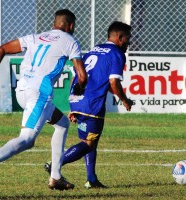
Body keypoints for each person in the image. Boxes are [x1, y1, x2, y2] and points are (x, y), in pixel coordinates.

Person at [0, 9, 87, 190]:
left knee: (62, 124)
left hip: (22, 89)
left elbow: (1, 49)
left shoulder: (35, 37)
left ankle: (56, 177)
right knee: (27, 139)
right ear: (71, 25)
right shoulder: (70, 41)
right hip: (39, 93)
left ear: (54, 23)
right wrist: (80, 89)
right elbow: (82, 75)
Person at [45, 21, 134, 188]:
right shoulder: (116, 54)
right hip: (92, 104)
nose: (129, 44)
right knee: (88, 143)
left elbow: (76, 76)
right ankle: (55, 165)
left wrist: (73, 104)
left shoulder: (94, 49)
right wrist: (124, 99)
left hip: (78, 99)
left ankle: (91, 179)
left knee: (90, 140)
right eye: (128, 39)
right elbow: (114, 82)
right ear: (120, 37)